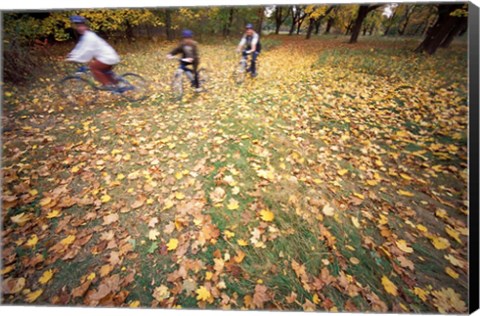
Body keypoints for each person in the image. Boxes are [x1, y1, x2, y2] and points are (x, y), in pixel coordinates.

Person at [66, 15, 120, 90]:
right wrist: (72, 55)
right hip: (109, 57)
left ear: (86, 27)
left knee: (93, 67)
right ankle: (117, 85)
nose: (79, 28)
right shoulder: (85, 36)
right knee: (104, 72)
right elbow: (80, 47)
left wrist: (75, 58)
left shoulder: (90, 37)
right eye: (78, 26)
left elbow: (87, 50)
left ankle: (107, 85)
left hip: (107, 57)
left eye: (81, 26)